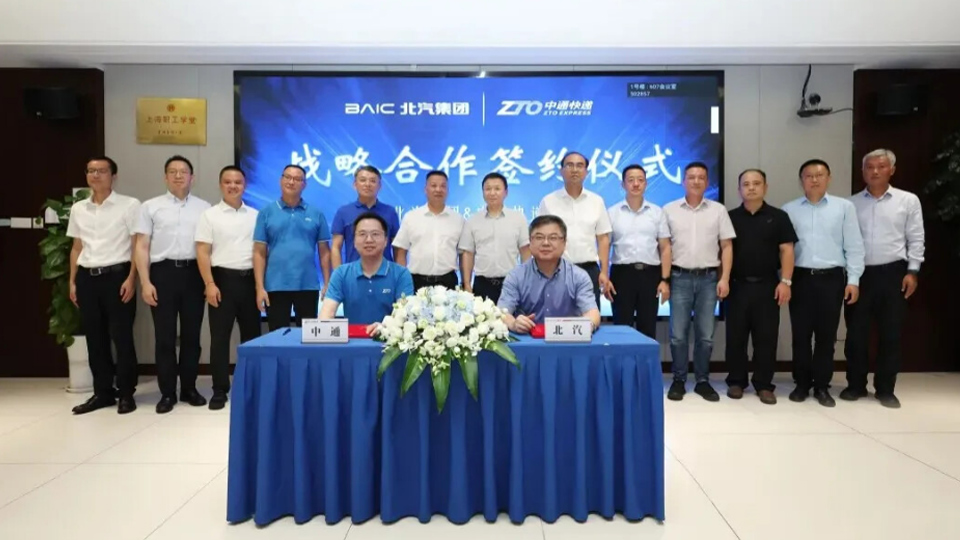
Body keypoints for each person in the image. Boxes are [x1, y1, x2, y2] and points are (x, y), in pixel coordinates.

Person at [843, 149, 925, 408]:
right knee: (856, 334)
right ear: (862, 171)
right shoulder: (851, 204)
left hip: (894, 274)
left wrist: (913, 271)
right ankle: (856, 385)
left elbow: (916, 237)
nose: (875, 171)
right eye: (869, 167)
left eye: (881, 166)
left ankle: (886, 389)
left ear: (892, 170)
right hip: (859, 275)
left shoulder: (907, 200)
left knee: (891, 333)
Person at [783, 158, 864, 408]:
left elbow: (854, 246)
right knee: (800, 335)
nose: (814, 180)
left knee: (826, 337)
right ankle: (801, 384)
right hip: (800, 278)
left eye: (819, 175)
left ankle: (821, 386)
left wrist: (853, 280)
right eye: (809, 176)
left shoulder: (844, 207)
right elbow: (783, 250)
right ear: (801, 181)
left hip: (831, 278)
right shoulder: (789, 209)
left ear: (829, 178)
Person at [135, 155, 211, 414]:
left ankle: (189, 388)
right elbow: (141, 247)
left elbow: (207, 248)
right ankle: (167, 393)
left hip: (193, 274)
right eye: (173, 171)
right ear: (165, 176)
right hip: (162, 274)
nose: (178, 176)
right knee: (165, 337)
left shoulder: (204, 208)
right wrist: (145, 282)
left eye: (183, 171)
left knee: (192, 336)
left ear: (192, 177)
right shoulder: (150, 207)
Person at [67, 156, 141, 415]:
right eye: (91, 171)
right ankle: (102, 392)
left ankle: (126, 392)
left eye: (101, 171)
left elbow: (137, 246)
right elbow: (76, 247)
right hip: (87, 278)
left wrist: (132, 278)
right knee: (95, 338)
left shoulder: (129, 205)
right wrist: (72, 281)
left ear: (113, 176)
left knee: (122, 337)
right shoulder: (79, 209)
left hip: (117, 277)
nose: (95, 175)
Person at [663, 162, 735, 402]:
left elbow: (727, 246)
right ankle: (679, 380)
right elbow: (665, 247)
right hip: (679, 277)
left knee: (705, 335)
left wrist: (724, 278)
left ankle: (703, 380)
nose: (696, 181)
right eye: (691, 177)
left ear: (707, 181)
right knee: (678, 335)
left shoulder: (718, 210)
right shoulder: (669, 210)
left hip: (709, 279)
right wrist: (664, 279)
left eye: (701, 177)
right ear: (683, 180)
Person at [725, 169, 798, 405]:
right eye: (746, 184)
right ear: (739, 190)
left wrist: (785, 281)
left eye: (756, 183)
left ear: (765, 187)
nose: (751, 188)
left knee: (766, 338)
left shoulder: (779, 217)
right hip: (737, 286)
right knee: (735, 337)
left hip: (768, 286)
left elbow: (787, 250)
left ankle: (764, 384)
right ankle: (736, 381)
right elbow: (723, 251)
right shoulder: (730, 217)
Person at [194, 165, 261, 411]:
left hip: (250, 281)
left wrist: (260, 285)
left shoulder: (256, 215)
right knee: (219, 338)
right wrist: (209, 284)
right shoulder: (209, 215)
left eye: (238, 182)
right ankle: (220, 389)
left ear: (245, 185)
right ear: (221, 185)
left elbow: (260, 252)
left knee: (252, 338)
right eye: (228, 182)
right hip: (221, 281)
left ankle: (251, 387)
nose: (233, 186)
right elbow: (202, 251)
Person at [253, 164, 332, 331]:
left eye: (297, 179)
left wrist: (327, 283)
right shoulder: (266, 212)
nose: (291, 182)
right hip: (275, 285)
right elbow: (259, 253)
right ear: (280, 180)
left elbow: (324, 251)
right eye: (287, 177)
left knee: (308, 336)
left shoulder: (316, 214)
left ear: (304, 184)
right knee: (277, 335)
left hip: (307, 285)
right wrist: (260, 287)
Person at [498, 215, 600, 334]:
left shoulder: (579, 276)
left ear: (564, 243)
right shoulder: (516, 276)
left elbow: (592, 312)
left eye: (553, 238)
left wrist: (587, 326)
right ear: (530, 242)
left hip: (567, 340)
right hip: (528, 340)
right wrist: (513, 324)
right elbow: (502, 312)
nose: (546, 243)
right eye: (539, 237)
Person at [537, 151, 613, 309]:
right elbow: (539, 238)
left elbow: (603, 239)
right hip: (556, 269)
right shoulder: (548, 201)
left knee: (589, 318)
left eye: (579, 166)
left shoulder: (596, 201)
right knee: (557, 317)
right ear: (561, 171)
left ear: (586, 172)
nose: (574, 170)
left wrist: (604, 272)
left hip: (589, 271)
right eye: (569, 165)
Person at [605, 164, 672, 339]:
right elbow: (605, 246)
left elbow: (665, 247)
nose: (636, 184)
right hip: (621, 275)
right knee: (621, 328)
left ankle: (645, 359)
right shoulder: (612, 213)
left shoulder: (657, 212)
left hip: (650, 276)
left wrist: (665, 280)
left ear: (646, 184)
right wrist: (604, 276)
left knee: (648, 328)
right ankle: (622, 359)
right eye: (631, 180)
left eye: (640, 180)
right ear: (623, 185)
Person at [320, 212, 414, 333]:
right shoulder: (341, 273)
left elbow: (405, 317)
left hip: (388, 340)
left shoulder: (401, 274)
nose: (369, 240)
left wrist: (384, 327)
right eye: (362, 234)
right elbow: (326, 315)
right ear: (354, 241)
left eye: (375, 234)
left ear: (386, 241)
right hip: (352, 341)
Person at [459, 172, 530, 303]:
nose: (492, 193)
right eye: (488, 189)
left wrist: (526, 281)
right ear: (483, 192)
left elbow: (525, 251)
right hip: (482, 283)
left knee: (510, 316)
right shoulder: (473, 220)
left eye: (497, 189)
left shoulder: (518, 218)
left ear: (506, 192)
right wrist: (467, 284)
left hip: (511, 282)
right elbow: (468, 254)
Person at [392, 170, 464, 291]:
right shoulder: (411, 217)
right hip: (417, 281)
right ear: (425, 189)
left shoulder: (458, 219)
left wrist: (465, 282)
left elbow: (463, 254)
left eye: (443, 186)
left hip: (448, 281)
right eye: (433, 185)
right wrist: (402, 281)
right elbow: (401, 251)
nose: (438, 189)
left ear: (447, 190)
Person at [330, 165, 400, 268]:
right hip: (353, 273)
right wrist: (338, 274)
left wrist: (399, 273)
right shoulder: (343, 212)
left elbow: (397, 247)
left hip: (386, 273)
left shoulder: (390, 212)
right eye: (363, 180)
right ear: (355, 184)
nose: (367, 184)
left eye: (372, 181)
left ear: (379, 186)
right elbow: (336, 247)